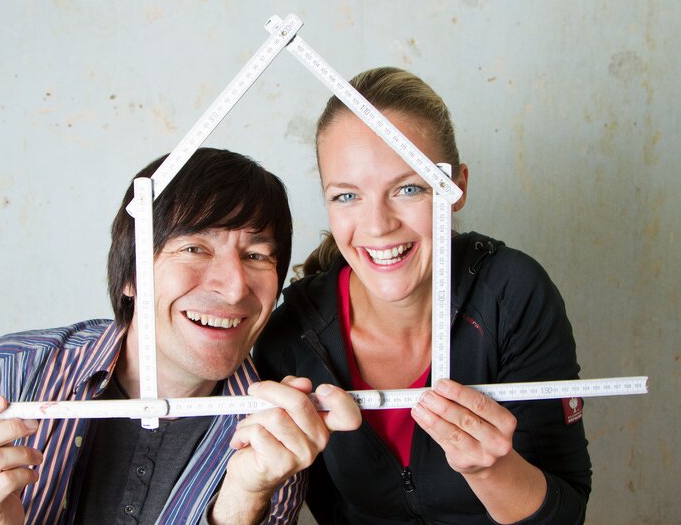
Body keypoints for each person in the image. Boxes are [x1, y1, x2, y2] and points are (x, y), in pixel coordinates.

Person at [0, 147, 361, 525]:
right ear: (130, 275)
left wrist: (242, 502)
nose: (235, 286)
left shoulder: (275, 434)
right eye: (194, 248)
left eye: (257, 255)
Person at [254, 67, 592, 524]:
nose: (378, 225)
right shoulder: (291, 337)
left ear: (458, 189)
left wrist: (493, 472)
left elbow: (568, 511)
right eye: (347, 196)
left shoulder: (511, 295)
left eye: (408, 188)